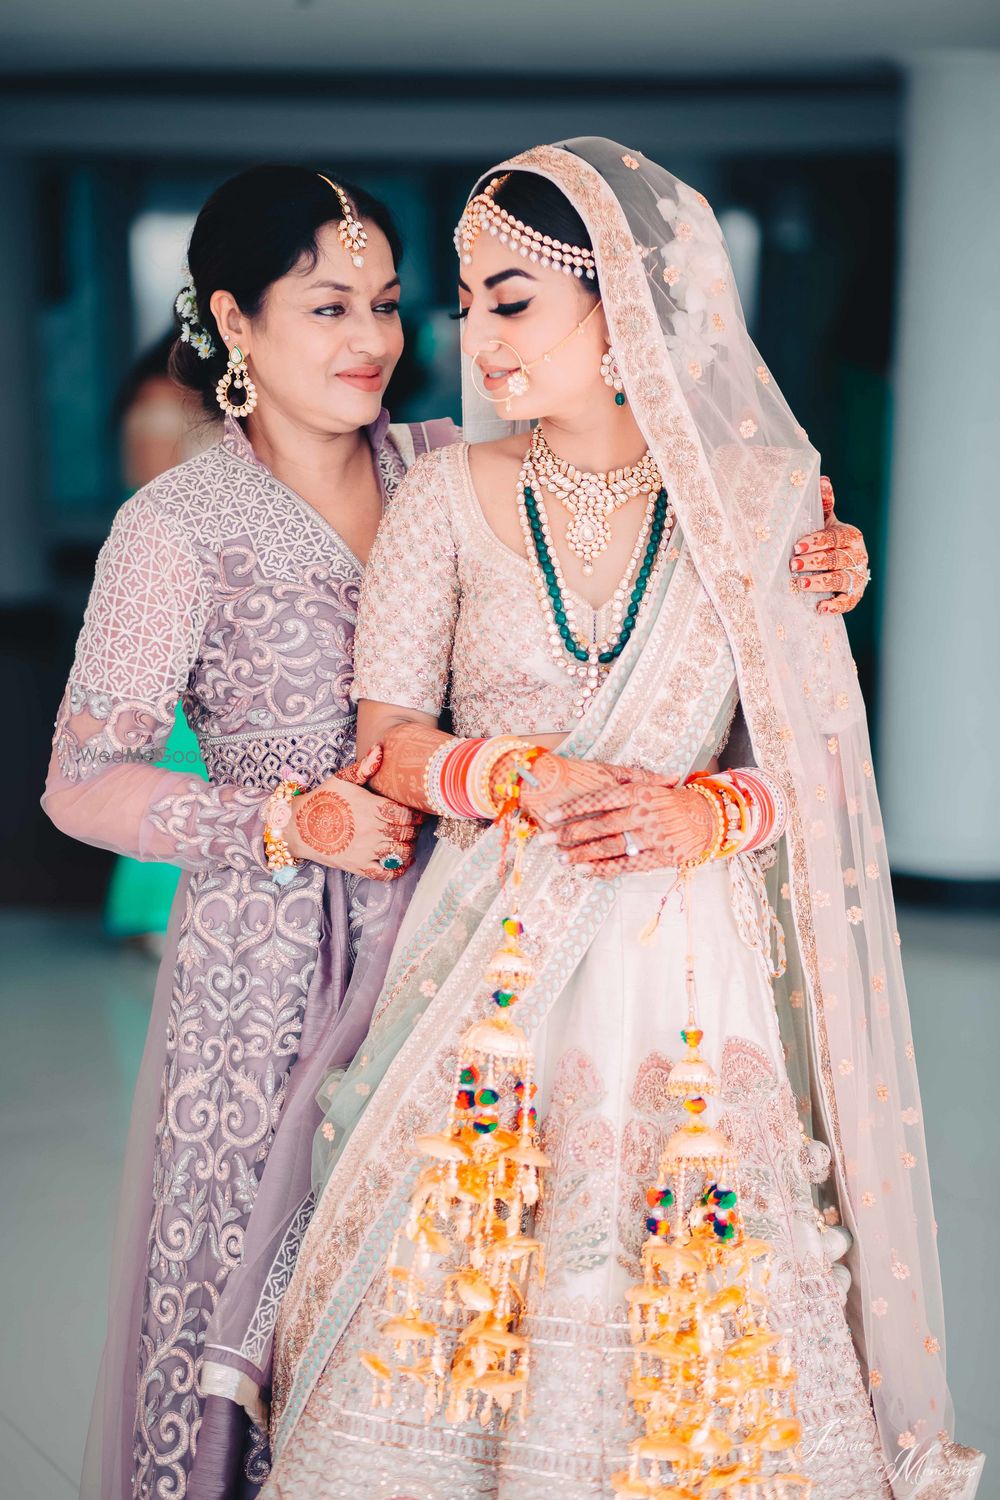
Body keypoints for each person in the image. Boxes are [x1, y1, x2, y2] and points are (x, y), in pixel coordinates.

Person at [258, 141, 981, 1500]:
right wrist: (517, 779)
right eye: (467, 303)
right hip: (491, 963)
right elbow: (386, 744)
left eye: (514, 299)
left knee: (694, 1281)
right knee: (460, 1274)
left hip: (689, 977)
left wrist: (701, 815)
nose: (479, 336)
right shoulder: (443, 498)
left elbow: (815, 774)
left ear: (630, 298)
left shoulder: (766, 509)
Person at [41, 165, 455, 1500]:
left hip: (455, 929)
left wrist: (806, 542)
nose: (373, 340)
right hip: (264, 959)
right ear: (237, 317)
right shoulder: (177, 529)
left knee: (443, 1285)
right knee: (249, 1290)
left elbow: (631, 501)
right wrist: (280, 818)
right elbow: (81, 779)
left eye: (386, 304)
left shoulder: (449, 470)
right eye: (329, 305)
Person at [103, 332, 219, 958]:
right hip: (167, 585)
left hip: (192, 582)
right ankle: (156, 909)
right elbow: (152, 491)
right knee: (168, 752)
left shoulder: (202, 402)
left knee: (190, 751)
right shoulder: (159, 399)